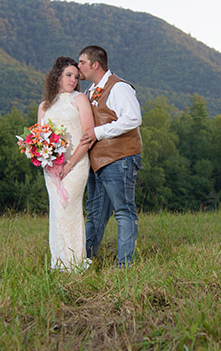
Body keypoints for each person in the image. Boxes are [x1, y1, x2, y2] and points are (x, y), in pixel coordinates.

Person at [78, 45, 143, 267]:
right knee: (95, 214)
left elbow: (133, 118)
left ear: (95, 65)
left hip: (120, 158)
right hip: (98, 162)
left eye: (82, 62)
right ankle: (83, 262)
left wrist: (98, 132)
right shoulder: (89, 90)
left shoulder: (119, 88)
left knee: (124, 212)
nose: (79, 67)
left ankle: (124, 266)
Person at [37, 56, 94, 271]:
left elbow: (88, 135)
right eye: (68, 75)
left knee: (70, 209)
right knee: (57, 212)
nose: (73, 80)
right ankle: (59, 263)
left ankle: (75, 263)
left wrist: (69, 164)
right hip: (52, 169)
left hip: (76, 164)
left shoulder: (79, 99)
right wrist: (47, 162)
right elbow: (40, 137)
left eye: (76, 76)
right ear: (57, 76)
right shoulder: (45, 105)